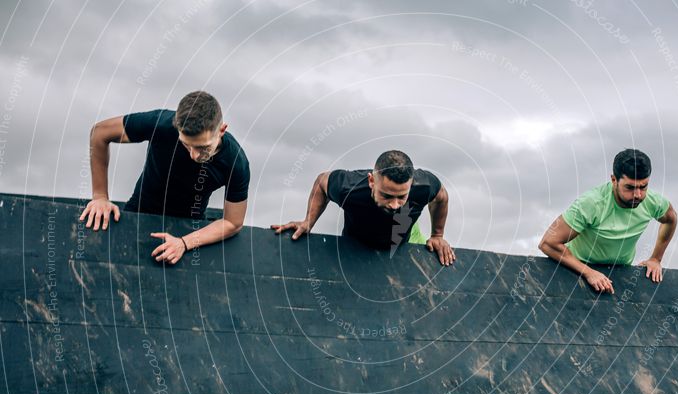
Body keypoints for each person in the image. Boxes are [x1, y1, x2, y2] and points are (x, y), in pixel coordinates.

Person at [79, 91, 250, 265]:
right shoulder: (161, 124)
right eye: (186, 144)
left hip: (188, 229)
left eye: (202, 147)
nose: (194, 155)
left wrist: (184, 243)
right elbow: (99, 133)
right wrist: (100, 196)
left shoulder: (236, 161)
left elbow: (232, 222)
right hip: (139, 213)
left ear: (221, 130)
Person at [272, 150, 455, 266]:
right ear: (371, 181)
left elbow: (442, 197)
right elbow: (322, 182)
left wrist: (437, 235)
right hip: (356, 243)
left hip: (405, 238)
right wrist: (308, 221)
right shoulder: (349, 188)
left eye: (402, 197)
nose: (394, 204)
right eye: (387, 196)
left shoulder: (423, 185)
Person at [538, 148, 678, 293]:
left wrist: (656, 259)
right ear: (614, 180)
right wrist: (588, 272)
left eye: (643, 187)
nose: (638, 194)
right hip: (576, 269)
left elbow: (671, 220)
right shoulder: (591, 204)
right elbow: (548, 243)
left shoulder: (653, 202)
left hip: (619, 272)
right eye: (630, 187)